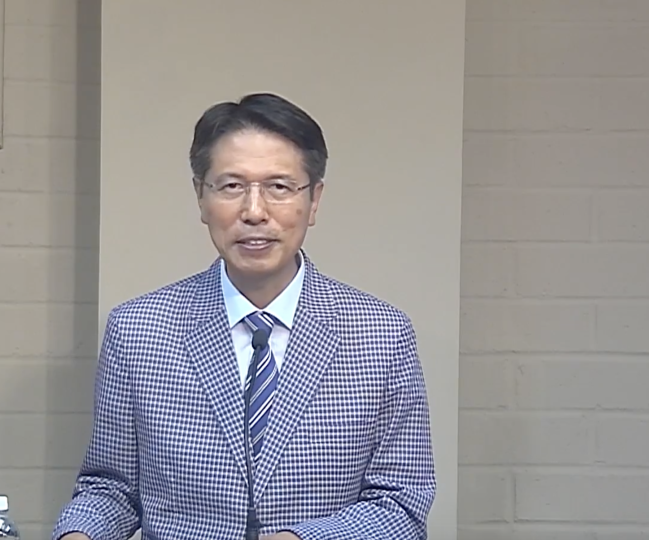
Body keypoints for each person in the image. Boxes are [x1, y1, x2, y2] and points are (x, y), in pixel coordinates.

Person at [52, 93, 436, 540]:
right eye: (232, 186)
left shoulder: (380, 335)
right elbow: (111, 489)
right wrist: (79, 533)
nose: (254, 212)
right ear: (201, 197)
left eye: (279, 188)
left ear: (314, 201)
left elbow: (400, 506)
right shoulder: (139, 330)